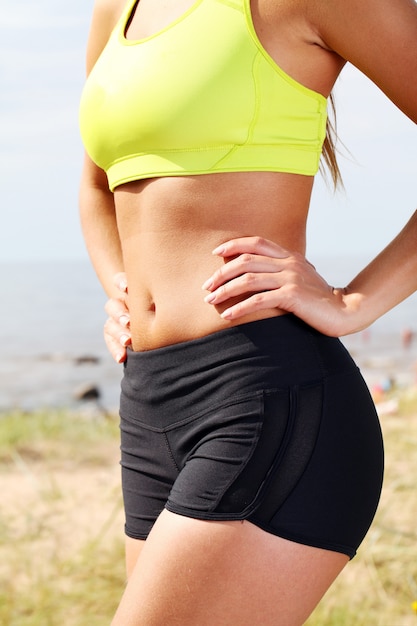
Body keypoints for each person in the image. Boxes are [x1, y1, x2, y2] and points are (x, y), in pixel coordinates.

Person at [78, 0, 417, 623]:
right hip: (149, 400)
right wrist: (122, 287)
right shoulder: (117, 7)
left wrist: (356, 301)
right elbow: (99, 185)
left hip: (265, 395)